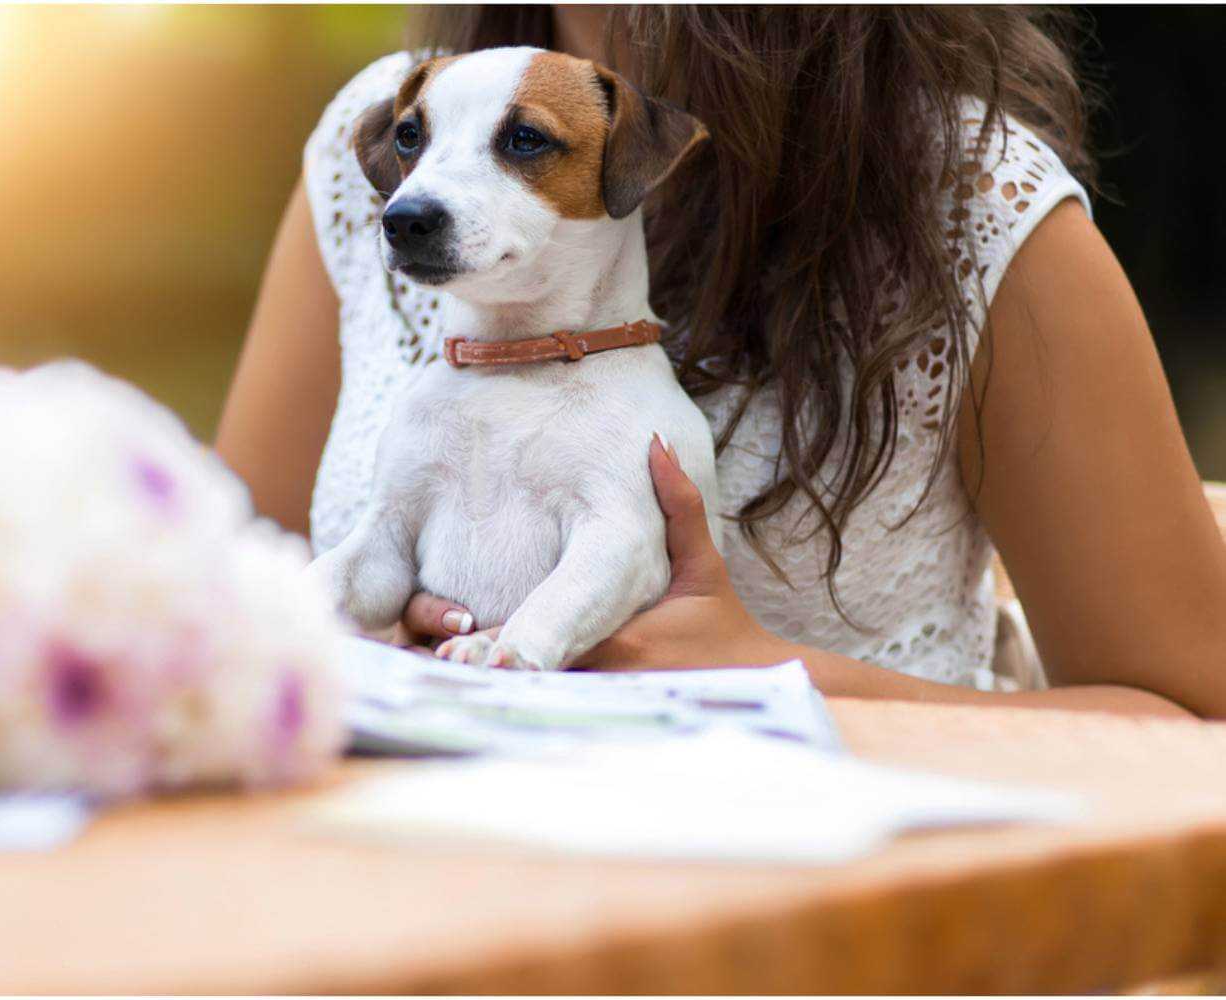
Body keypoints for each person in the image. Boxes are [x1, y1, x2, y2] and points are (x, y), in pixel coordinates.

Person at [216, 6, 1226, 718]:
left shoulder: (970, 206)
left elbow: (1193, 722)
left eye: (527, 142)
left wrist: (773, 674)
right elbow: (232, 571)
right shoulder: (387, 156)